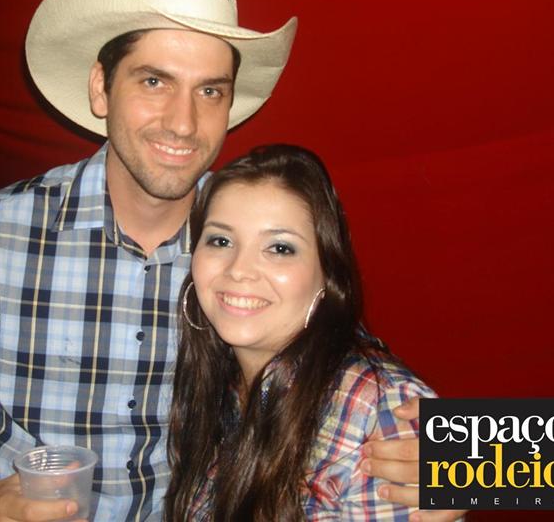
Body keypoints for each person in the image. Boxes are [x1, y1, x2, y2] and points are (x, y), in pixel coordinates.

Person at [0, 0, 455, 522]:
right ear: (101, 88)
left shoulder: (244, 236)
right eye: (154, 81)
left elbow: (347, 358)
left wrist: (470, 461)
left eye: (209, 90)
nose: (184, 122)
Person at [165, 144, 435, 521]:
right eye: (220, 241)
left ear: (327, 273)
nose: (239, 269)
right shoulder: (216, 385)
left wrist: (489, 462)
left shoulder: (380, 411)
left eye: (280, 248)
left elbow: (509, 464)